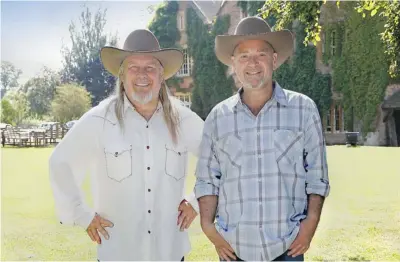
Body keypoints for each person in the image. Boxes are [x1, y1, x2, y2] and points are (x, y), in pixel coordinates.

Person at [49, 29, 204, 261]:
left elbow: (219, 159)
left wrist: (195, 201)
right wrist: (81, 215)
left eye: (150, 67)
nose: (142, 74)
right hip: (118, 253)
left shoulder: (183, 119)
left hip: (170, 252)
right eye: (134, 67)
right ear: (122, 75)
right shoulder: (99, 119)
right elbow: (60, 163)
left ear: (162, 75)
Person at [194, 16, 330, 261]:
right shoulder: (217, 117)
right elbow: (207, 180)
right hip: (233, 249)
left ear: (274, 60)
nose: (253, 63)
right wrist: (208, 227)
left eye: (261, 54)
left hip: (288, 247)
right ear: (233, 63)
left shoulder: (303, 109)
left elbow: (317, 177)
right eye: (244, 56)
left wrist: (309, 226)